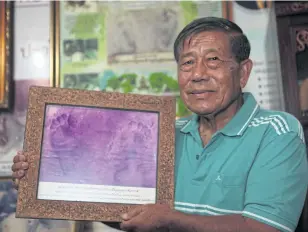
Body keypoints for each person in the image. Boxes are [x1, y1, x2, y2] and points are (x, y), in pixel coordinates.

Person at [11, 17, 308, 232]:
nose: (198, 74)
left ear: (243, 72)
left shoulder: (277, 132)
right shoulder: (166, 134)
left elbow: (264, 229)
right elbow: (134, 215)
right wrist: (40, 177)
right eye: (188, 63)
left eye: (213, 60)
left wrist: (170, 219)